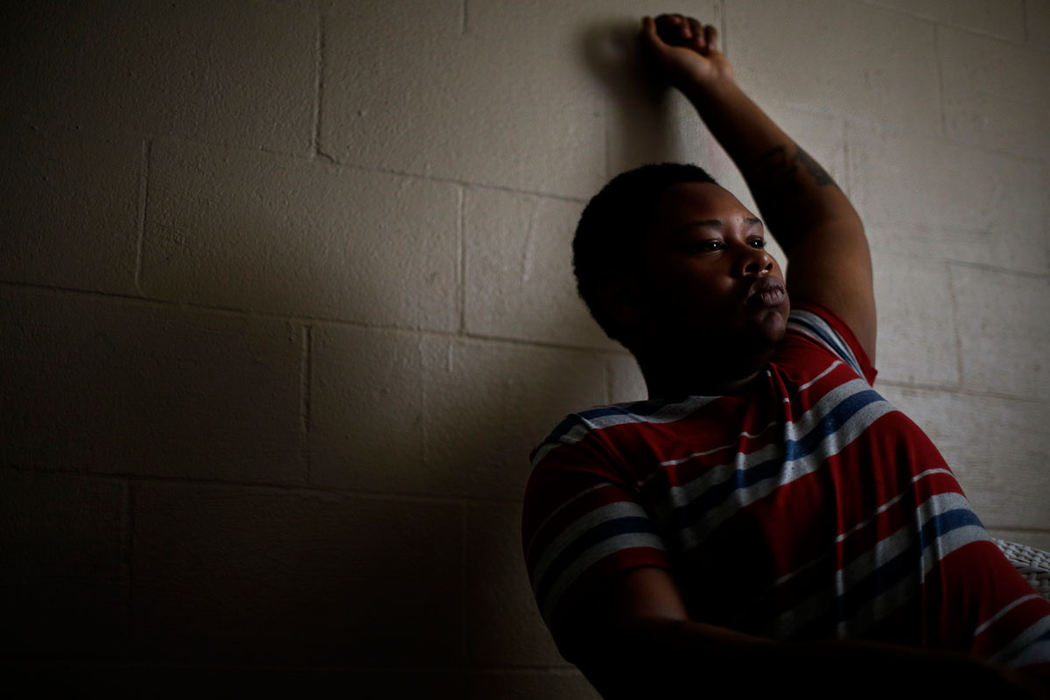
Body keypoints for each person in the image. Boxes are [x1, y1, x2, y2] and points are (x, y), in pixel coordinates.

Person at [521, 14, 1050, 699]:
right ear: (626, 301)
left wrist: (709, 82)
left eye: (756, 238)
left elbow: (822, 220)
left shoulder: (818, 353)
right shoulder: (594, 452)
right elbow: (646, 656)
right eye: (711, 245)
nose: (756, 258)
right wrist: (953, 684)